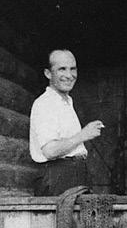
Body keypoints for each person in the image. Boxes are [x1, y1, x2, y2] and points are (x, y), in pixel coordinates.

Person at [29, 49, 104, 196]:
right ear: (48, 73)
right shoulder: (45, 103)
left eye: (73, 69)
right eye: (62, 69)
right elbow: (50, 151)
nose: (69, 75)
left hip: (76, 173)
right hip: (57, 176)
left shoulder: (67, 101)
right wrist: (83, 135)